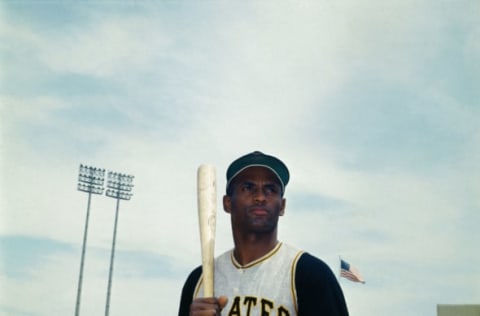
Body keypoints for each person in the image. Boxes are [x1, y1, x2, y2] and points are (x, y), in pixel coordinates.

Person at [178, 151, 349, 316]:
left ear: (282, 206)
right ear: (227, 203)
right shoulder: (198, 281)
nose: (260, 197)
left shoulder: (310, 274)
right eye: (248, 187)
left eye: (270, 189)